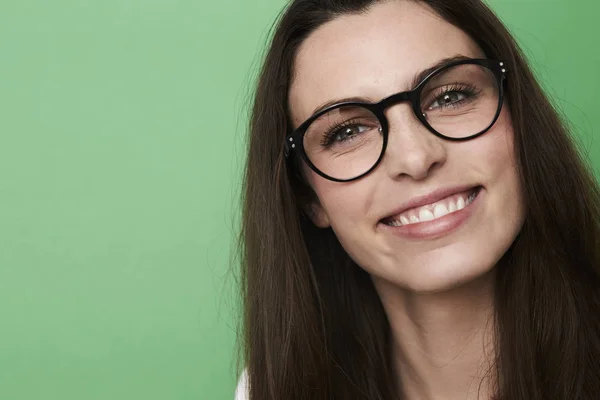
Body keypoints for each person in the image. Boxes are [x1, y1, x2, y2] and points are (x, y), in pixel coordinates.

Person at [235, 0, 600, 399]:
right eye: (347, 132)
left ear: (520, 116)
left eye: (450, 97)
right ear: (308, 196)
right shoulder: (270, 389)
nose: (416, 158)